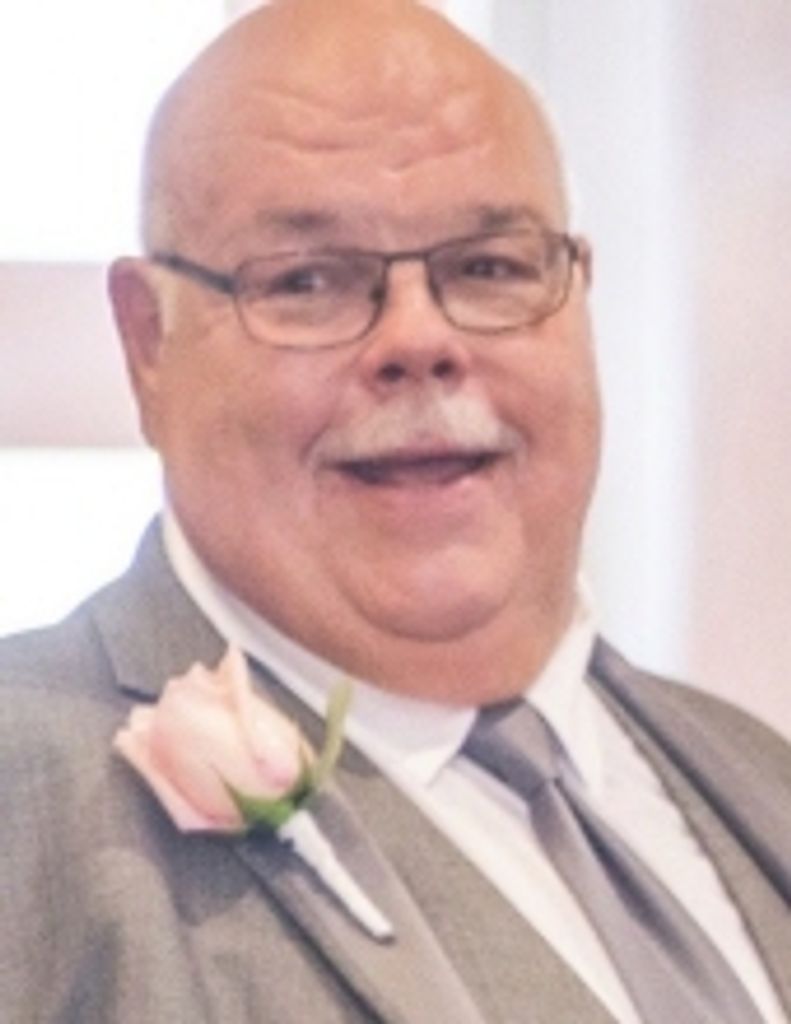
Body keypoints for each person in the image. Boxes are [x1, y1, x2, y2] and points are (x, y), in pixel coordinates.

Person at [2, 1, 790, 1021]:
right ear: (148, 342)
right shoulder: (25, 807)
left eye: (489, 267)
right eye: (308, 281)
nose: (418, 341)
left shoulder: (755, 776)